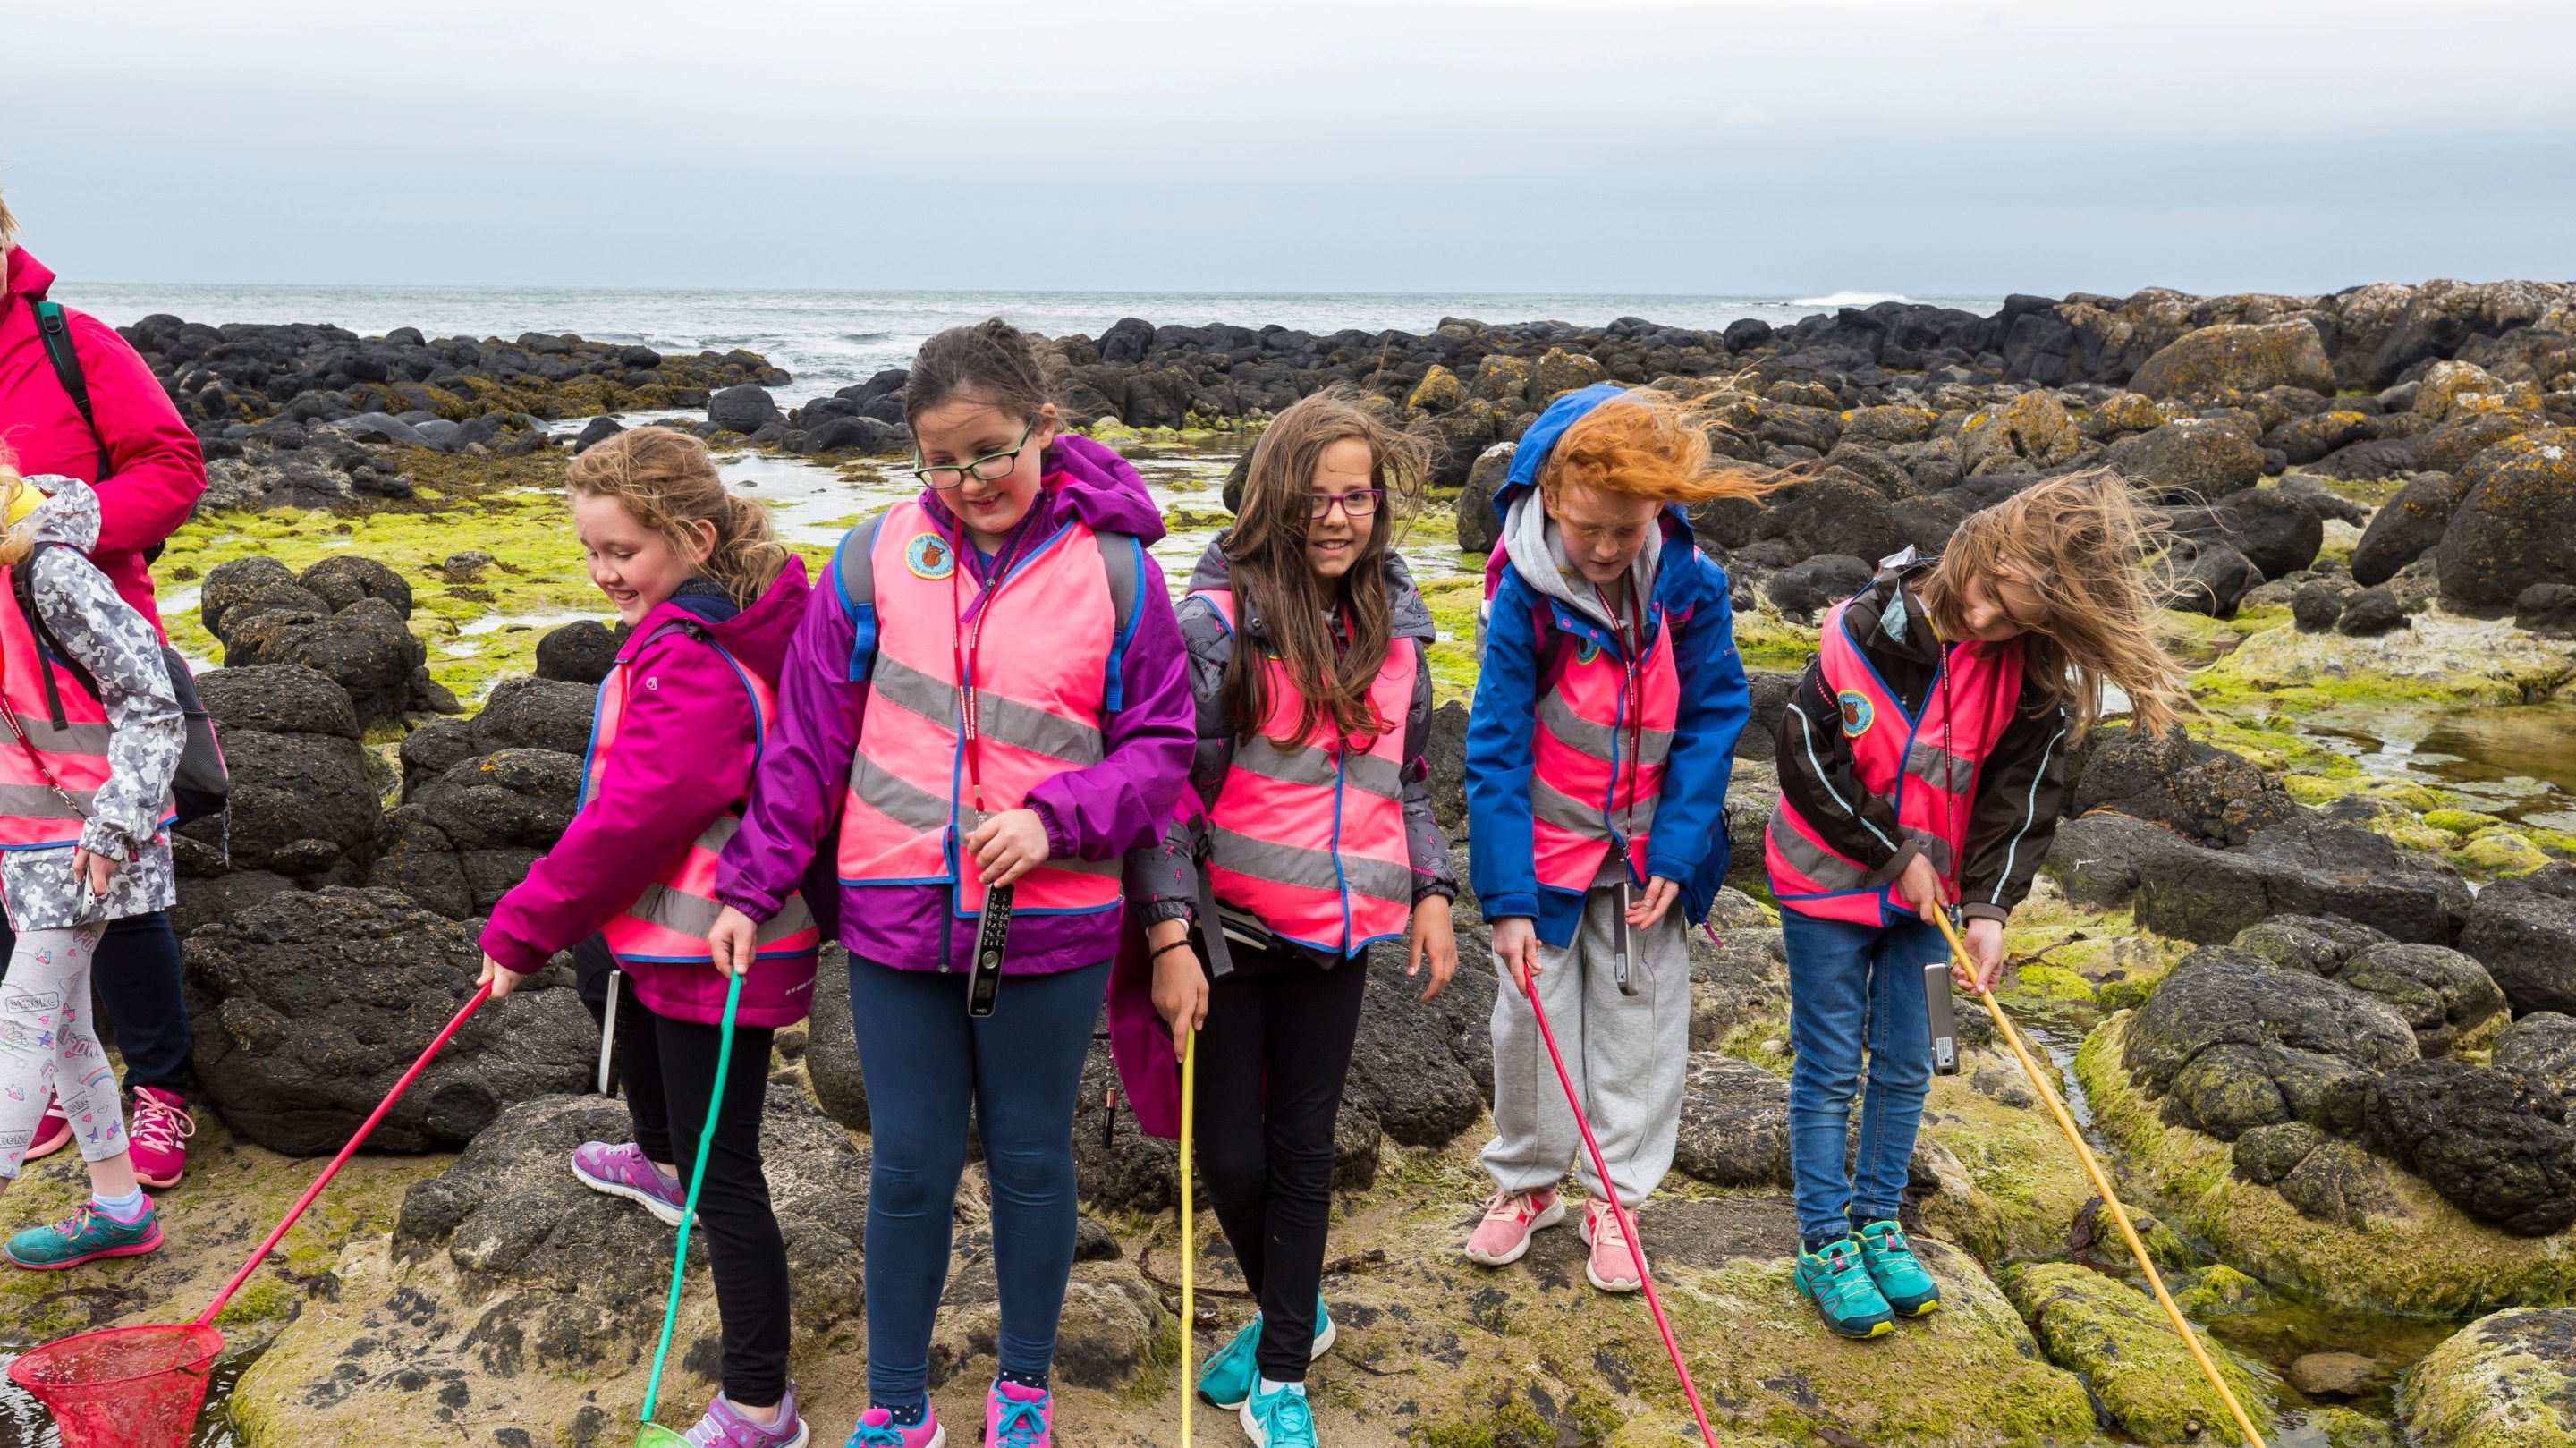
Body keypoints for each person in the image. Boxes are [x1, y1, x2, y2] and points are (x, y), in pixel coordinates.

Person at [709, 318, 1192, 1448]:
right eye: (941, 459)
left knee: (1030, 1158)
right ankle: (896, 1403)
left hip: (1056, 922)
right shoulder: (868, 560)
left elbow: (1163, 750)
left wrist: (1054, 819)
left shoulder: (1118, 572)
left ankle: (1023, 1385)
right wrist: (750, 884)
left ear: (1045, 428)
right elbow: (808, 749)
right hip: (891, 917)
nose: (969, 480)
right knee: (910, 1165)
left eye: (991, 451)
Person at [1114, 387, 1460, 1448]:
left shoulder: (1400, 627)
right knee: (1228, 1151)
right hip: (1231, 937)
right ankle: (1296, 1316)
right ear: (1274, 496)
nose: (1337, 516)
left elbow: (1406, 781)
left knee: (1304, 1148)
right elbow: (1162, 790)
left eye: (1357, 495)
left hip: (1343, 936)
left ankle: (1281, 1373)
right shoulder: (1211, 624)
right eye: (1316, 496)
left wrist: (1435, 893)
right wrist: (1170, 931)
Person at [1767, 469, 2187, 1339]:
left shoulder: (2028, 673)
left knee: (1918, 1054)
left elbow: (2021, 796)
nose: (1992, 619)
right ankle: (1823, 1243)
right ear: (1980, 549)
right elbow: (1807, 755)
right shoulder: (1864, 628)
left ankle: (1879, 1223)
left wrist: (1989, 907)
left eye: (2023, 614)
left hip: (1929, 912)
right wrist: (1895, 855)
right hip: (1826, 887)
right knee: (1831, 1062)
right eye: (1994, 592)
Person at [475, 427, 822, 1445]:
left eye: (620, 550)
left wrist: (523, 924)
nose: (600, 571)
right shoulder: (689, 627)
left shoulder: (702, 660)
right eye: (590, 550)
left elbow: (637, 814)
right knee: (603, 976)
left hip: (719, 949)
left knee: (733, 1178)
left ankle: (762, 1402)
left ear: (694, 535)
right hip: (661, 939)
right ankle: (658, 1159)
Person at [1460, 385, 1757, 1291]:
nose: (1604, 549)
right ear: (1549, 496)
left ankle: (1616, 1197)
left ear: (1657, 512)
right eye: (1588, 527)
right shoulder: (1522, 597)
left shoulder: (1692, 588)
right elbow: (1496, 741)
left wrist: (1677, 846)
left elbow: (1716, 713)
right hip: (1546, 857)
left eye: (1626, 532)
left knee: (1641, 1025)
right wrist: (1505, 899)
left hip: (1646, 865)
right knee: (1529, 1023)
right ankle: (1529, 1183)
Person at [0, 191, 209, 1191]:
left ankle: (161, 1085)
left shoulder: (73, 343)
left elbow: (173, 467)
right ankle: (44, 1078)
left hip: (89, 648)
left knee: (121, 888)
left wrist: (62, 517)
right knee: (11, 868)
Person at [0, 461, 185, 1268]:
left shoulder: (54, 571)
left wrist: (113, 827)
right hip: (26, 839)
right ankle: (120, 1207)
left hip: (100, 839)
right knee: (69, 1029)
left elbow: (152, 699)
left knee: (21, 1015)